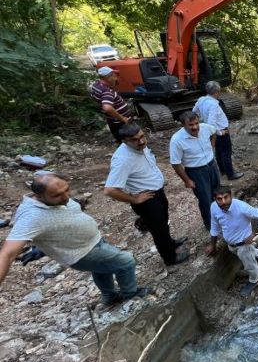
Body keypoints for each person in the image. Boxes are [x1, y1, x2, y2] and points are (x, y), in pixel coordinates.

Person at [0, 173, 149, 306]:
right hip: (81, 253)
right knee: (126, 262)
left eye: (67, 190)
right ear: (39, 196)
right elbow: (7, 254)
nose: (66, 197)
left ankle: (110, 297)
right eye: (58, 195)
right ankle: (131, 294)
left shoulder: (51, 190)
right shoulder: (31, 217)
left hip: (92, 242)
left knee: (102, 269)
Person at [104, 123, 189, 266]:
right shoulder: (122, 159)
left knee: (163, 223)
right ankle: (170, 258)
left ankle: (170, 243)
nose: (141, 141)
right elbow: (110, 190)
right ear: (125, 141)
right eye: (135, 140)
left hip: (157, 193)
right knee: (158, 229)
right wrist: (135, 199)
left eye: (142, 136)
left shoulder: (141, 148)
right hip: (147, 201)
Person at [208, 186, 258, 296]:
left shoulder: (241, 207)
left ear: (231, 195)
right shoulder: (213, 207)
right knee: (243, 253)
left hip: (244, 245)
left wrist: (254, 234)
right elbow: (214, 226)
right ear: (214, 199)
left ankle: (254, 281)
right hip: (231, 245)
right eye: (219, 199)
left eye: (226, 197)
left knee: (250, 265)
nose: (223, 202)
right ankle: (257, 253)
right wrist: (212, 245)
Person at [169, 111, 220, 231]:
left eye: (196, 123)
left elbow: (214, 133)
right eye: (191, 125)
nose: (195, 127)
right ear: (183, 125)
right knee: (205, 199)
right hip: (196, 172)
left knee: (218, 193)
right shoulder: (176, 140)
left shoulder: (206, 128)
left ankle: (220, 217)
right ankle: (210, 224)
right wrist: (187, 180)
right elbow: (175, 163)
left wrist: (212, 146)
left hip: (212, 166)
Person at [193, 81, 244, 181]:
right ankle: (231, 174)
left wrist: (203, 120)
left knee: (219, 152)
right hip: (220, 131)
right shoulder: (213, 105)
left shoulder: (201, 100)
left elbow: (194, 111)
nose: (219, 93)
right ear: (216, 92)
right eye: (219, 91)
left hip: (211, 131)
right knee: (226, 153)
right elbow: (212, 123)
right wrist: (220, 132)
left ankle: (223, 171)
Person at [89, 66, 132, 143]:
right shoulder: (106, 91)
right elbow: (107, 108)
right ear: (108, 78)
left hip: (112, 121)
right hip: (120, 123)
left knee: (122, 142)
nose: (116, 78)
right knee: (130, 142)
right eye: (114, 76)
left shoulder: (96, 85)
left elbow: (94, 97)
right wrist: (122, 118)